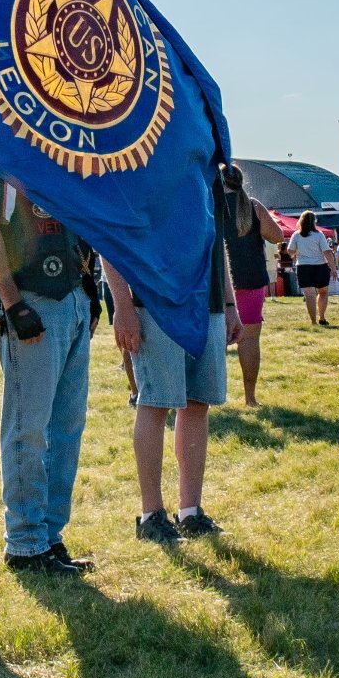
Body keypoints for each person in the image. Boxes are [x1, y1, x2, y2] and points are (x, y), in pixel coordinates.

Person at [0, 163, 96, 576]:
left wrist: (90, 289)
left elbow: (80, 222)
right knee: (29, 427)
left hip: (72, 296)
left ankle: (49, 537)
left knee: (67, 428)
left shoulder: (57, 149)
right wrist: (11, 302)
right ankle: (25, 544)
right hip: (30, 297)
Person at [106, 176, 240, 544]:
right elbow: (109, 233)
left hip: (208, 302)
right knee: (155, 402)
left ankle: (190, 512)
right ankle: (151, 515)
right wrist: (122, 305)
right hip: (156, 302)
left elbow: (217, 238)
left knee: (198, 403)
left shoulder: (207, 159)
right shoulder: (138, 148)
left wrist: (229, 304)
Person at [218, 164, 283, 406]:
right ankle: (250, 398)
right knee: (250, 340)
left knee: (215, 341)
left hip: (217, 283)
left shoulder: (211, 205)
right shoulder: (253, 206)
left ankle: (213, 397)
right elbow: (277, 236)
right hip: (251, 280)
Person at [288, 213, 333, 325]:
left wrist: (296, 253)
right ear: (314, 221)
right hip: (320, 266)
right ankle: (322, 318)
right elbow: (327, 251)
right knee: (323, 292)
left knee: (309, 295)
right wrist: (333, 268)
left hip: (303, 267)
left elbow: (290, 250)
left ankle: (313, 321)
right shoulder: (319, 235)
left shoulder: (296, 235)